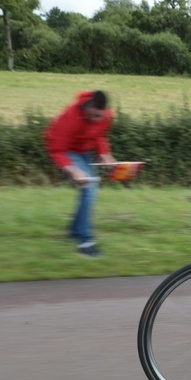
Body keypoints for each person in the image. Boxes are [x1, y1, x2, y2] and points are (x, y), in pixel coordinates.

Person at [45, 90, 116, 257]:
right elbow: (56, 149)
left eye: (102, 115)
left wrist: (105, 154)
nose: (100, 119)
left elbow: (99, 135)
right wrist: (72, 169)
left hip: (84, 152)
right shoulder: (69, 117)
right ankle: (85, 242)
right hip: (66, 151)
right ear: (89, 107)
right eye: (96, 116)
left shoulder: (105, 115)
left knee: (90, 191)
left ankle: (74, 231)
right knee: (89, 189)